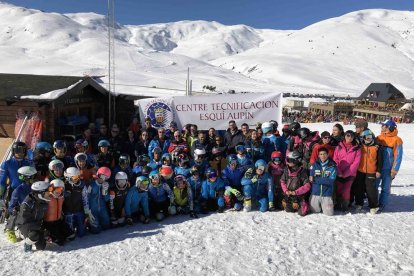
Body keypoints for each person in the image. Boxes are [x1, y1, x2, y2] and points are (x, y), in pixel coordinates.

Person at [376, 119, 403, 211]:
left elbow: (398, 156)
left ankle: (382, 204)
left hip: (388, 169)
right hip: (377, 168)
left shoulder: (397, 140)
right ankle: (374, 203)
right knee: (374, 186)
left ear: (389, 127)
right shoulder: (378, 138)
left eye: (383, 125)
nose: (381, 127)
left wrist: (394, 170)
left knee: (385, 188)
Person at [5, 166, 37, 243]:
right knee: (15, 212)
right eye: (33, 177)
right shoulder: (18, 190)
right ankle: (9, 229)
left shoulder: (35, 187)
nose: (35, 178)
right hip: (23, 214)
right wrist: (14, 209)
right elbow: (11, 207)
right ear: (27, 178)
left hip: (33, 212)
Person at [16, 181, 50, 252]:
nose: (49, 194)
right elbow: (24, 222)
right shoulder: (27, 204)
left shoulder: (43, 201)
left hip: (37, 224)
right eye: (47, 193)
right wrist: (39, 228)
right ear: (40, 194)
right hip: (24, 225)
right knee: (33, 235)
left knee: (41, 247)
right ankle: (25, 240)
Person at [354, 129, 382, 214]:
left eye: (370, 137)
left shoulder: (376, 147)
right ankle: (359, 204)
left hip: (371, 171)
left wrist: (378, 171)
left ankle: (373, 206)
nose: (368, 139)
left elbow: (380, 160)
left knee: (371, 190)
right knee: (359, 188)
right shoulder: (360, 146)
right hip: (360, 170)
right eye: (366, 137)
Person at [333, 130, 361, 212]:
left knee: (346, 190)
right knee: (338, 188)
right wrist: (339, 172)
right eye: (348, 135)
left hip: (350, 174)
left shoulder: (357, 148)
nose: (349, 137)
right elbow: (335, 160)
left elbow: (356, 163)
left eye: (352, 136)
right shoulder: (339, 146)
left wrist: (346, 173)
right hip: (339, 172)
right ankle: (337, 204)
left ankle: (345, 206)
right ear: (344, 136)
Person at [43, 179, 74, 245]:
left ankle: (58, 234)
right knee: (60, 241)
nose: (58, 191)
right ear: (51, 189)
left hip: (58, 220)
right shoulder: (47, 198)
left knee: (71, 236)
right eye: (56, 189)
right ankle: (47, 236)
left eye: (60, 189)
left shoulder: (61, 197)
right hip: (48, 223)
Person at [280, 151, 311, 216]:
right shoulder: (286, 170)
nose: (288, 162)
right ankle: (292, 203)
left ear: (296, 161)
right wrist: (285, 191)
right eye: (287, 160)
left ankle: (304, 204)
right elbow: (282, 181)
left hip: (299, 195)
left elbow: (307, 186)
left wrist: (296, 192)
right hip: (289, 194)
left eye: (290, 160)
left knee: (302, 213)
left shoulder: (302, 171)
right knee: (288, 209)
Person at [309, 148, 337, 216]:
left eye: (324, 154)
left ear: (327, 155)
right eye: (321, 154)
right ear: (318, 155)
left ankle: (326, 205)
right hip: (315, 193)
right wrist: (323, 179)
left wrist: (316, 179)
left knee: (329, 214)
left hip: (327, 193)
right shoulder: (314, 165)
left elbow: (331, 180)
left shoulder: (332, 166)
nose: (323, 156)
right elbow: (311, 178)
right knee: (314, 212)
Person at [63, 167, 88, 238]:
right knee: (71, 236)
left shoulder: (82, 185)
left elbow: (85, 199)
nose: (77, 179)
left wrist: (86, 212)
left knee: (81, 234)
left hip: (79, 211)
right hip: (68, 212)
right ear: (68, 178)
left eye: (78, 177)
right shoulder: (64, 186)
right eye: (74, 178)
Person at [85, 167, 111, 233]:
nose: (102, 179)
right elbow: (86, 197)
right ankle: (90, 225)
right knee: (95, 230)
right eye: (101, 176)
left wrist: (105, 191)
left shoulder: (105, 185)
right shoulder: (91, 185)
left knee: (107, 226)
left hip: (102, 209)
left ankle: (101, 223)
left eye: (105, 177)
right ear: (97, 175)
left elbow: (106, 199)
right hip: (93, 210)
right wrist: (87, 211)